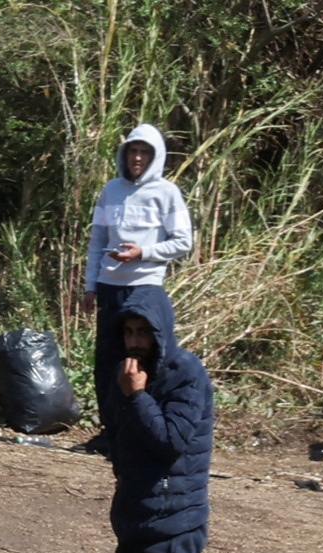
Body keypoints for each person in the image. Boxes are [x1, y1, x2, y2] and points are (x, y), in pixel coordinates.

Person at [102, 288, 214, 553]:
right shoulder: (126, 374)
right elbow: (121, 437)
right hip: (139, 516)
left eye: (142, 333)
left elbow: (170, 441)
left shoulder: (185, 374)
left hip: (175, 521)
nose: (134, 342)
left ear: (161, 333)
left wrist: (137, 396)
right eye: (128, 333)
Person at [80, 126, 197, 459]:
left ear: (155, 156)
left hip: (145, 286)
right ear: (124, 154)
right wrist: (90, 285)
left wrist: (141, 253)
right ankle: (111, 434)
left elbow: (182, 242)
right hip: (109, 286)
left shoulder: (167, 192)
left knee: (145, 359)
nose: (137, 158)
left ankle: (146, 430)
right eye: (132, 151)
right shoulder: (111, 190)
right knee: (108, 361)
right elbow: (97, 242)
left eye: (144, 152)